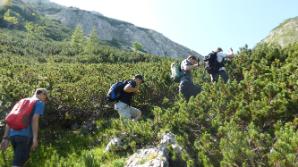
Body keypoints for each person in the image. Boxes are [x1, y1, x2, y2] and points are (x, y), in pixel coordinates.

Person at [0, 88, 48, 167]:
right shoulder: (39, 103)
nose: (45, 99)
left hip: (13, 135)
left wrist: (5, 138)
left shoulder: (20, 102)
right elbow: (35, 119)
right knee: (17, 164)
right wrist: (35, 138)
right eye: (45, 97)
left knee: (22, 161)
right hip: (25, 136)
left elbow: (10, 119)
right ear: (41, 93)